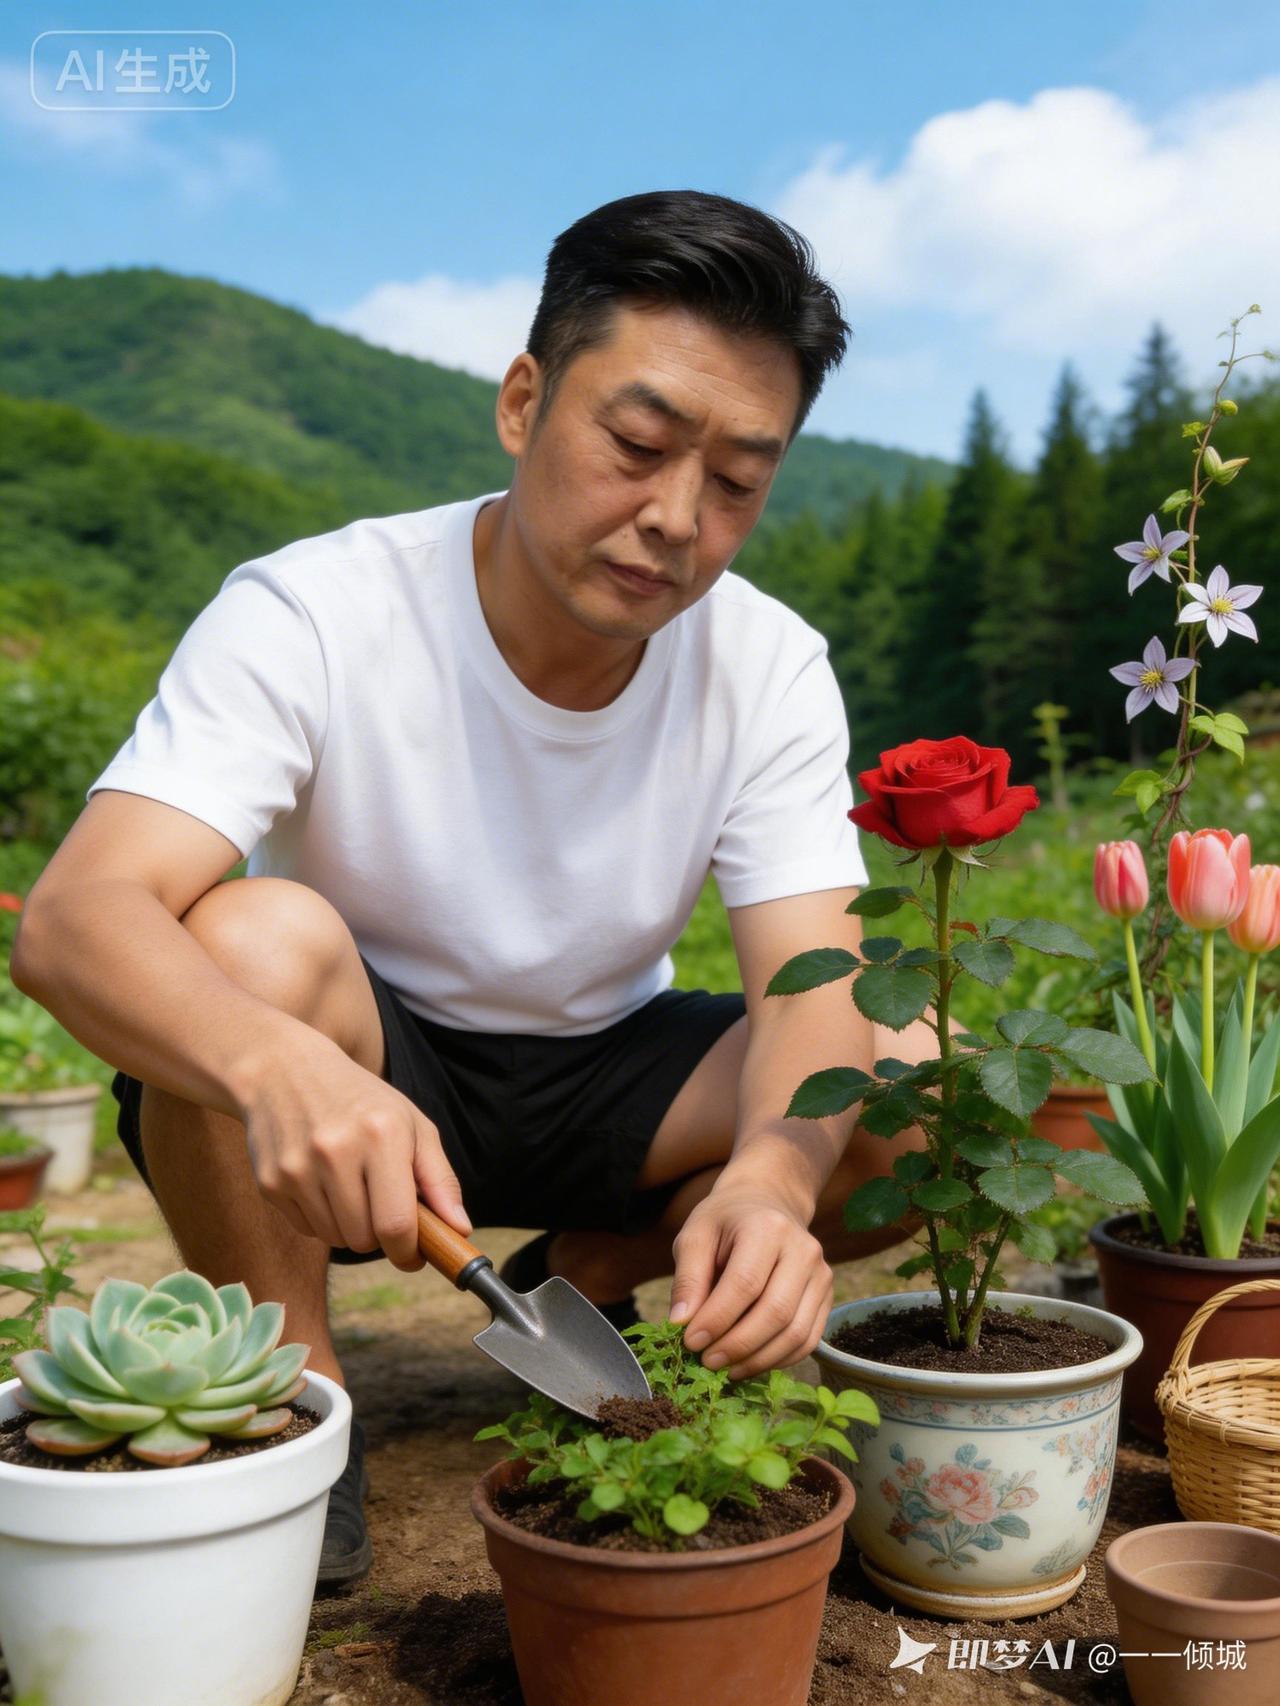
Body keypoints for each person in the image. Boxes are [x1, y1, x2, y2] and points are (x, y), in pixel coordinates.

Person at [10, 189, 931, 1590]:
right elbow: (80, 917)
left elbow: (813, 982)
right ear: (521, 402)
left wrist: (769, 1173)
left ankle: (606, 1260)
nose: (675, 517)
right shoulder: (316, 609)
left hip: (611, 1079)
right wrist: (276, 1065)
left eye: (739, 480)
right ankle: (300, 1409)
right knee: (252, 940)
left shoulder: (767, 663)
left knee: (913, 1067)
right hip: (368, 1061)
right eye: (636, 445)